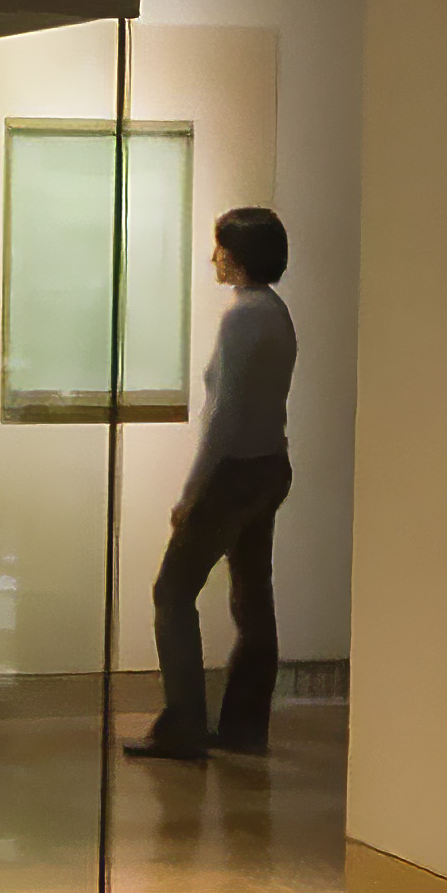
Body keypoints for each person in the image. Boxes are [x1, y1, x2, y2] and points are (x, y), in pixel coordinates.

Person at [128, 206, 297, 764]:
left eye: (220, 248)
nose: (213, 258)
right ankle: (244, 726)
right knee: (253, 598)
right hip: (270, 467)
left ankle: (184, 726)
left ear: (239, 255)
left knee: (172, 591)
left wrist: (190, 493)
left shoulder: (242, 318)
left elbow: (223, 416)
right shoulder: (275, 313)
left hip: (235, 473)